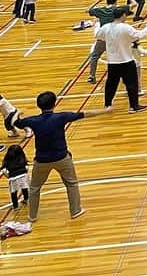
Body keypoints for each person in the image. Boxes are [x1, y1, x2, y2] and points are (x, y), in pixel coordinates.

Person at [15, 90, 111, 221]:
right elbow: (84, 114)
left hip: (41, 161)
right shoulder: (61, 117)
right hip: (62, 158)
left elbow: (17, 123)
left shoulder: (33, 121)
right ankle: (75, 211)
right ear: (54, 104)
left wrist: (17, 113)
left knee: (35, 188)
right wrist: (105, 110)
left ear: (39, 106)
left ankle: (32, 216)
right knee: (71, 184)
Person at [96, 7, 147, 112]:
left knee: (111, 84)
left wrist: (96, 24)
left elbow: (97, 35)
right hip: (126, 61)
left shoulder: (106, 27)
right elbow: (139, 35)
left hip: (112, 62)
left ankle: (107, 104)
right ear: (123, 15)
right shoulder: (125, 28)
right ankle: (133, 106)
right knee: (132, 84)